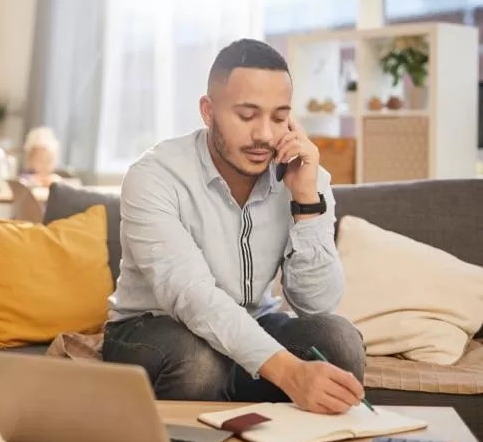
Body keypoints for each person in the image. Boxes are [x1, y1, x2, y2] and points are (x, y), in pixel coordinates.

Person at [102, 38, 366, 415]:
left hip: (251, 324)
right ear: (208, 111)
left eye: (278, 118)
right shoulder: (155, 176)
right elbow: (192, 297)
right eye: (247, 116)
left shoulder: (305, 177)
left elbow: (318, 304)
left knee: (338, 341)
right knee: (198, 364)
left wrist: (306, 202)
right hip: (153, 330)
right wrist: (290, 373)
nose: (264, 135)